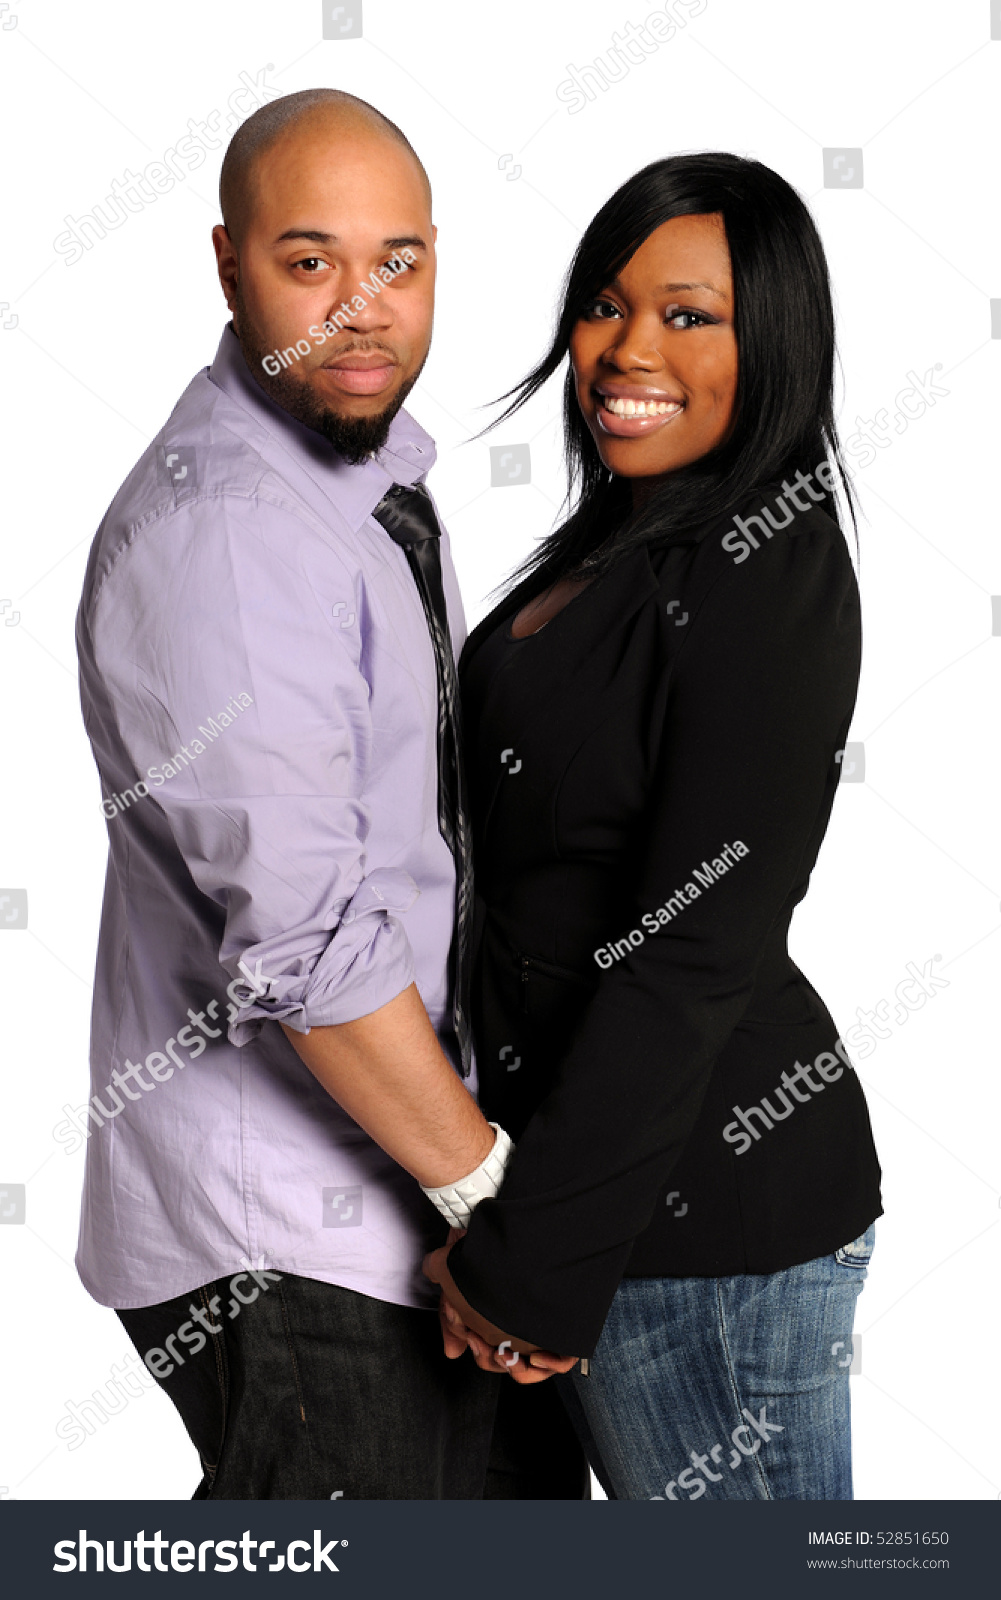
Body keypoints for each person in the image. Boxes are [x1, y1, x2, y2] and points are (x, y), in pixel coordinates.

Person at [74, 87, 586, 1500]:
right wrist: (493, 1201)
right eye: (310, 264)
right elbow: (308, 944)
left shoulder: (350, 483)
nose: (362, 309)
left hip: (397, 1193)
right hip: (294, 1236)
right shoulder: (231, 535)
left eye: (398, 263)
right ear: (228, 260)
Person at [424, 153, 883, 1500]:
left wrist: (526, 1271)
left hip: (703, 1230)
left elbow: (688, 958)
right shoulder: (623, 544)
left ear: (775, 342)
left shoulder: (765, 577)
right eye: (604, 305)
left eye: (688, 315)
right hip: (582, 1198)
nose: (627, 349)